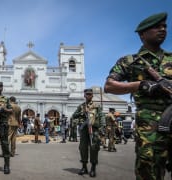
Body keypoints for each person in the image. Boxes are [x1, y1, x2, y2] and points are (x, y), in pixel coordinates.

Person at [104, 12, 172, 179]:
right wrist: (141, 85)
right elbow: (109, 86)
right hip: (150, 127)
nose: (162, 29)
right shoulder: (130, 61)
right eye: (156, 27)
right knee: (148, 172)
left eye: (164, 26)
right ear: (142, 34)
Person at [72, 88, 102, 177]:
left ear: (92, 95)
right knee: (83, 148)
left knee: (94, 148)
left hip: (94, 129)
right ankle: (84, 167)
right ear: (84, 95)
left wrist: (102, 128)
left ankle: (93, 168)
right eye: (87, 94)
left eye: (90, 94)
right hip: (84, 130)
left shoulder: (97, 106)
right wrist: (82, 112)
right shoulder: (81, 106)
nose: (88, 95)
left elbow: (101, 116)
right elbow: (74, 116)